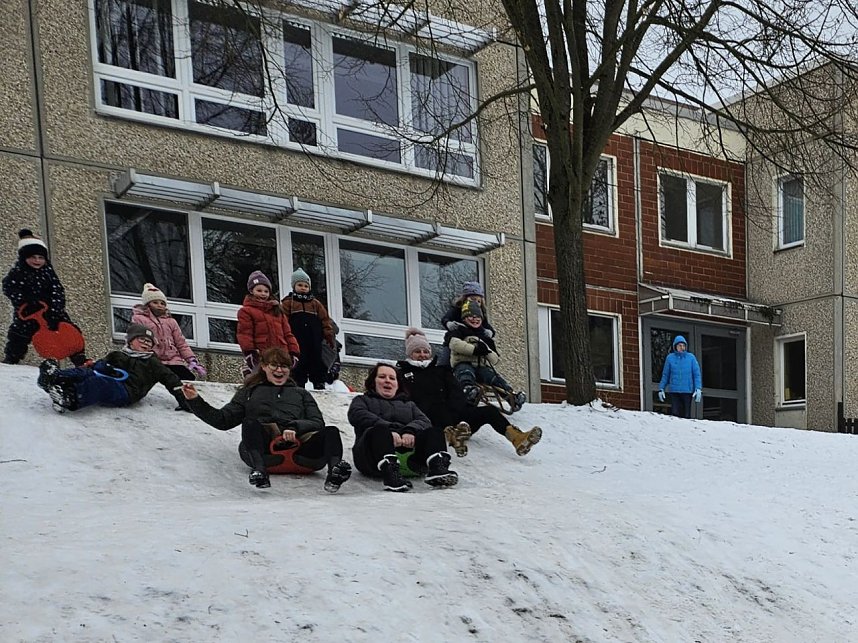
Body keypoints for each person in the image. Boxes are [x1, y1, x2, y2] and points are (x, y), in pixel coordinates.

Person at [181, 347, 351, 491]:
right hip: (267, 453)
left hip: (303, 454)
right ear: (263, 366)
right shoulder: (249, 392)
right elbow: (222, 420)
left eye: (284, 366)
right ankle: (259, 471)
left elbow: (317, 422)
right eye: (274, 365)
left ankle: (335, 473)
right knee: (250, 423)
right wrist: (195, 401)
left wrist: (295, 428)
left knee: (331, 432)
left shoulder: (300, 393)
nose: (280, 370)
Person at [397, 328, 542, 457]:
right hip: (430, 420)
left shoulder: (441, 370)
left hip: (457, 417)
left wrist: (462, 408)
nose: (422, 355)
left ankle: (517, 438)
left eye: (425, 351)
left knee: (489, 411)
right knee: (437, 407)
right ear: (410, 354)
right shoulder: (403, 374)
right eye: (417, 352)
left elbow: (456, 391)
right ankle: (453, 436)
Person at [348, 362, 457, 492]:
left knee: (434, 431)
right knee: (379, 431)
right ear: (373, 382)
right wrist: (390, 431)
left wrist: (410, 431)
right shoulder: (362, 400)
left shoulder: (409, 404)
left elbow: (424, 420)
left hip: (412, 459)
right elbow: (357, 415)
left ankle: (437, 468)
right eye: (382, 377)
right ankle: (391, 475)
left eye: (392, 378)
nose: (387, 381)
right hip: (372, 461)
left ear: (397, 384)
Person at [35, 323, 188, 413]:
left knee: (98, 384)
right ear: (130, 341)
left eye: (149, 342)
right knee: (87, 372)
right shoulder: (117, 355)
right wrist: (104, 366)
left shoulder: (153, 363)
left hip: (127, 391)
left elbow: (172, 380)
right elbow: (98, 366)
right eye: (142, 339)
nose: (146, 344)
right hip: (111, 378)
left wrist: (186, 401)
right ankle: (54, 377)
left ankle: (69, 398)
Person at [3, 228, 88, 366]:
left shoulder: (48, 273)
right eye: (33, 257)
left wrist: (56, 307)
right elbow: (8, 287)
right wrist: (23, 300)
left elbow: (57, 289)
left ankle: (79, 357)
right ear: (24, 258)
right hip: (28, 312)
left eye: (40, 257)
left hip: (51, 310)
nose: (37, 261)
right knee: (19, 334)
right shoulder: (17, 273)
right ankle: (12, 357)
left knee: (69, 330)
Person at [448, 300, 527, 412]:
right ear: (464, 318)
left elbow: (495, 359)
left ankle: (511, 396)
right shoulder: (460, 330)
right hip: (463, 362)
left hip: (481, 367)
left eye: (477, 317)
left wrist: (486, 350)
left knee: (493, 377)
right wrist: (474, 349)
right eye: (470, 316)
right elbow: (454, 344)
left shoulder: (484, 336)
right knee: (465, 372)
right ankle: (468, 390)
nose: (475, 319)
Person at [131, 283, 206, 383]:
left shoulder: (171, 322)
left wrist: (191, 359)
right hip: (153, 360)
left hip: (173, 361)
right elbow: (137, 339)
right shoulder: (139, 319)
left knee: (187, 378)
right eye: (155, 302)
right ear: (148, 304)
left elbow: (181, 342)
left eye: (162, 303)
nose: (159, 306)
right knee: (158, 378)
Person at [236, 270, 299, 379]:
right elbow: (245, 334)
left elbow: (288, 333)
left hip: (280, 351)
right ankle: (250, 375)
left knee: (279, 379)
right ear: (252, 291)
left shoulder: (277, 311)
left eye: (266, 291)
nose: (263, 294)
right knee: (261, 378)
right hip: (262, 352)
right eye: (259, 290)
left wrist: (294, 351)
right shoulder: (246, 311)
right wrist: (250, 351)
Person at [281, 268, 336, 390]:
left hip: (314, 338)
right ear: (293, 286)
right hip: (297, 338)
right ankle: (298, 382)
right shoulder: (288, 303)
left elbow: (325, 319)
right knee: (299, 361)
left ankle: (319, 382)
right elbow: (282, 320)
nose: (303, 288)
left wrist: (328, 334)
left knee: (316, 360)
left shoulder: (315, 304)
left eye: (306, 285)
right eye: (300, 285)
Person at [438, 280, 496, 367]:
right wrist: (448, 323)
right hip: (455, 342)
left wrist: (490, 332)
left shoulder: (480, 315)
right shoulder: (456, 310)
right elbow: (445, 318)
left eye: (478, 301)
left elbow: (487, 326)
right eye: (472, 299)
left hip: (472, 344)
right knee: (444, 363)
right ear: (464, 299)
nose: (475, 303)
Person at [658, 335, 702, 418]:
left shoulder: (691, 358)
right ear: (675, 346)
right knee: (675, 413)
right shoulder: (670, 358)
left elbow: (696, 374)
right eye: (680, 345)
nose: (682, 347)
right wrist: (661, 388)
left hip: (687, 391)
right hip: (675, 391)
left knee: (686, 414)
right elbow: (665, 375)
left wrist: (698, 388)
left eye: (683, 345)